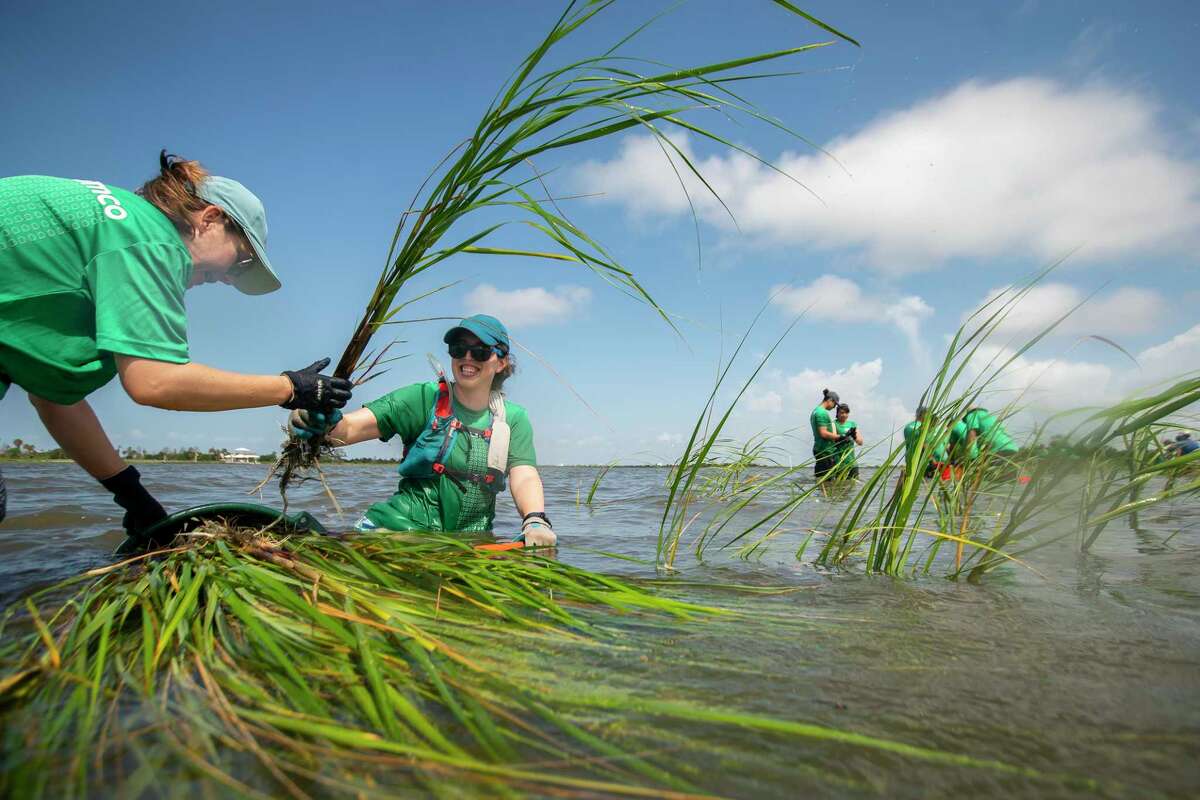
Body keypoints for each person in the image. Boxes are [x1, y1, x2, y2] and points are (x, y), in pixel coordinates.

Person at [0, 152, 352, 535]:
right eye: (242, 261)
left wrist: (132, 495)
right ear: (210, 219)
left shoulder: (116, 222)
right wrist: (290, 388)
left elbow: (54, 398)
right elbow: (155, 382)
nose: (229, 278)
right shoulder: (149, 238)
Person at [290, 315, 555, 547]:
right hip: (394, 534)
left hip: (469, 545)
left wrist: (535, 519)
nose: (467, 358)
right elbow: (347, 429)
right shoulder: (422, 398)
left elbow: (524, 476)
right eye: (458, 348)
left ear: (501, 362)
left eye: (481, 351)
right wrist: (315, 419)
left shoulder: (513, 419)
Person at [902, 405, 951, 479]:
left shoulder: (908, 427)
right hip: (927, 465)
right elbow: (922, 444)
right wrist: (932, 461)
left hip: (934, 464)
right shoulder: (919, 427)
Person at [810, 388, 842, 480]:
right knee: (827, 483)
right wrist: (841, 437)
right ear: (830, 400)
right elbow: (823, 433)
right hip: (825, 451)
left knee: (821, 481)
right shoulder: (822, 413)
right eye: (835, 404)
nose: (834, 407)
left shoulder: (815, 411)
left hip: (820, 449)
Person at [832, 403, 862, 480]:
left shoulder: (852, 424)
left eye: (846, 413)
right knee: (840, 487)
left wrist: (854, 436)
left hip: (852, 462)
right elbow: (833, 439)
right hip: (839, 462)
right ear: (837, 413)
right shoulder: (834, 423)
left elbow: (860, 442)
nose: (844, 415)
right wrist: (844, 436)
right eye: (842, 413)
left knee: (853, 486)